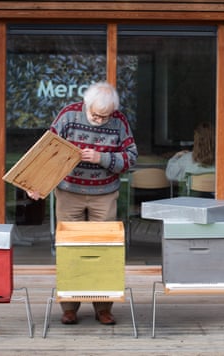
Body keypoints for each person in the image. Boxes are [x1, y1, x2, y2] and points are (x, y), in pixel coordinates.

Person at [27, 81, 138, 325]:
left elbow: (131, 158)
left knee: (103, 251)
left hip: (105, 194)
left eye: (104, 117)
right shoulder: (68, 116)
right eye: (95, 115)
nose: (99, 120)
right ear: (86, 105)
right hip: (69, 192)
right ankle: (69, 307)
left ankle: (103, 308)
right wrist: (37, 184)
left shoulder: (119, 121)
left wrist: (102, 158)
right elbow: (46, 152)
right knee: (70, 251)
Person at [165, 122, 215, 195]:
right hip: (215, 203)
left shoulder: (186, 159)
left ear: (196, 139)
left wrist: (176, 156)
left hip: (189, 203)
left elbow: (170, 175)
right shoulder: (222, 161)